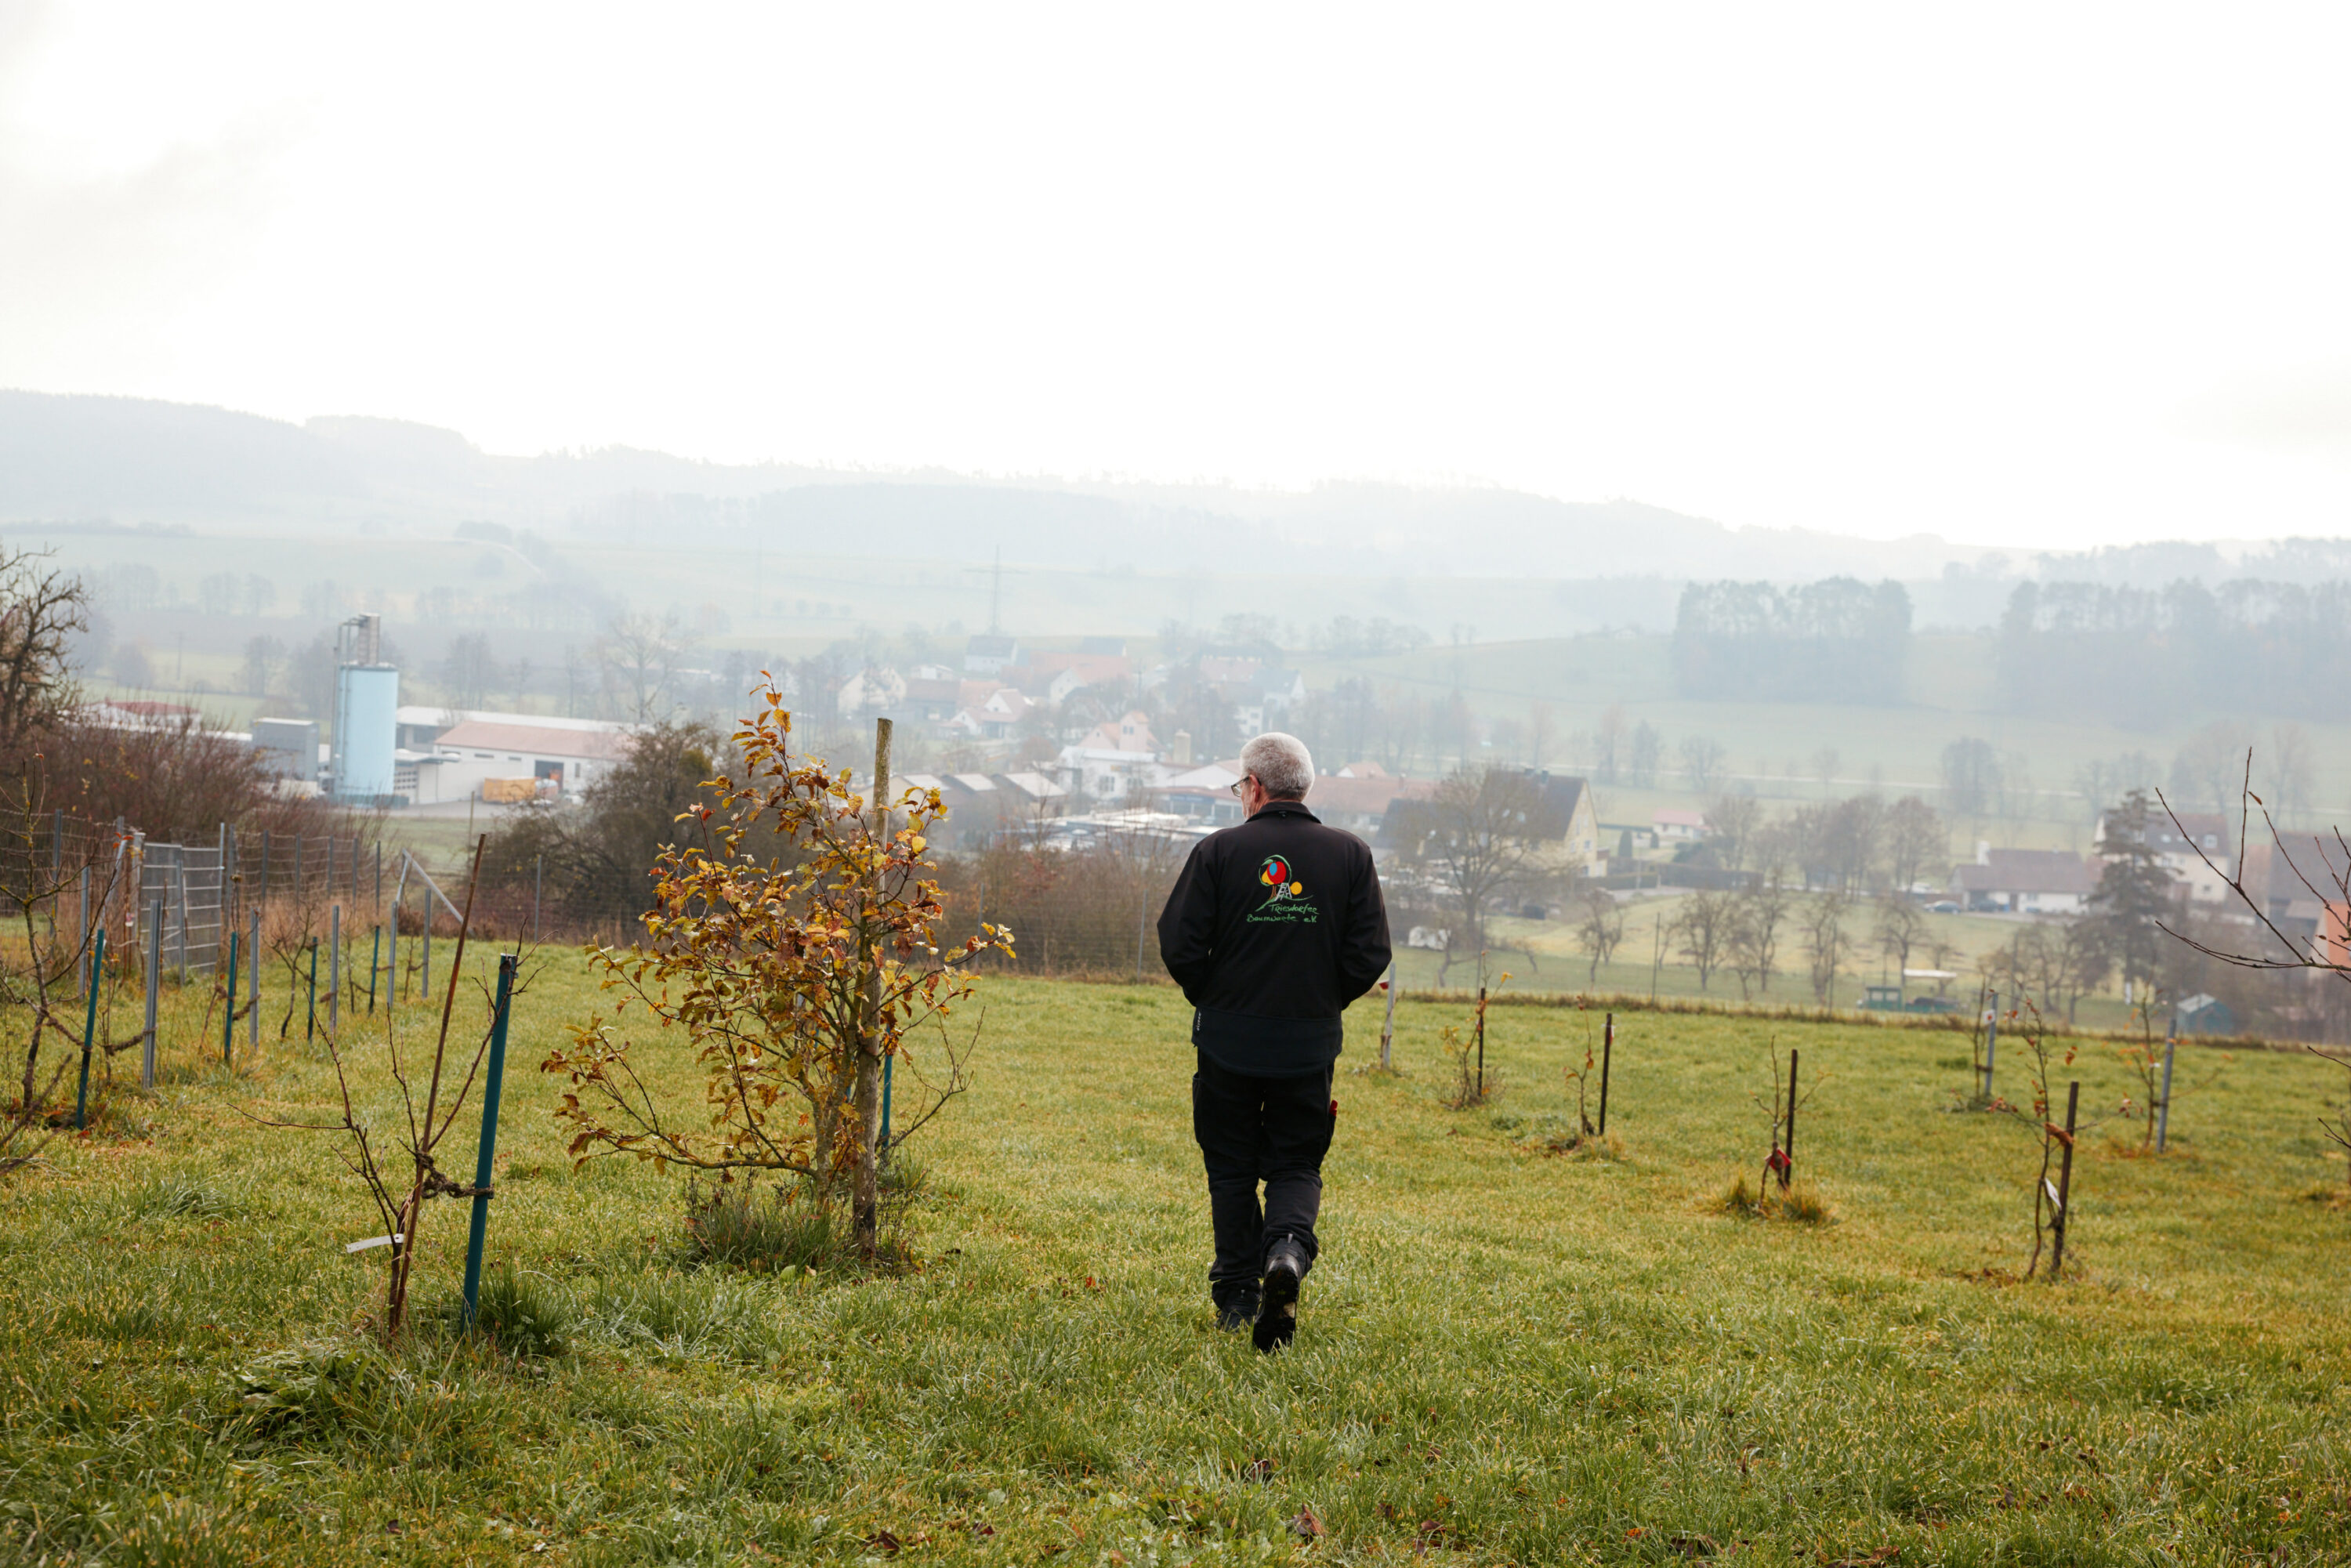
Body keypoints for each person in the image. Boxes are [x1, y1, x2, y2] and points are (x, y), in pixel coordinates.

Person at [1157, 731, 1391, 1351]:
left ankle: (1238, 1295)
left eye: (1241, 785)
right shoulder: (1351, 855)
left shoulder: (1218, 851)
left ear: (1255, 786)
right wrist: (1321, 1002)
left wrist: (1214, 997)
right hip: (1307, 1046)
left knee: (1231, 1164)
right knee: (1296, 1161)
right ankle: (1286, 1251)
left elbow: (1179, 942)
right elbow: (1370, 952)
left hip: (1227, 1042)